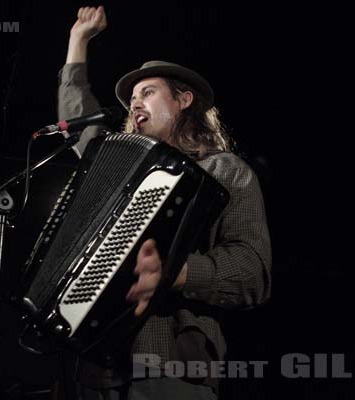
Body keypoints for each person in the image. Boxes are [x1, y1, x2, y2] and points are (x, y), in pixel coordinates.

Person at [57, 6, 272, 400]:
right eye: (132, 99)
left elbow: (253, 274)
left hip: (170, 365)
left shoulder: (224, 170)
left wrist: (176, 273)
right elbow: (77, 121)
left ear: (183, 100)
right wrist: (78, 40)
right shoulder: (119, 172)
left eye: (148, 92)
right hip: (92, 371)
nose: (134, 104)